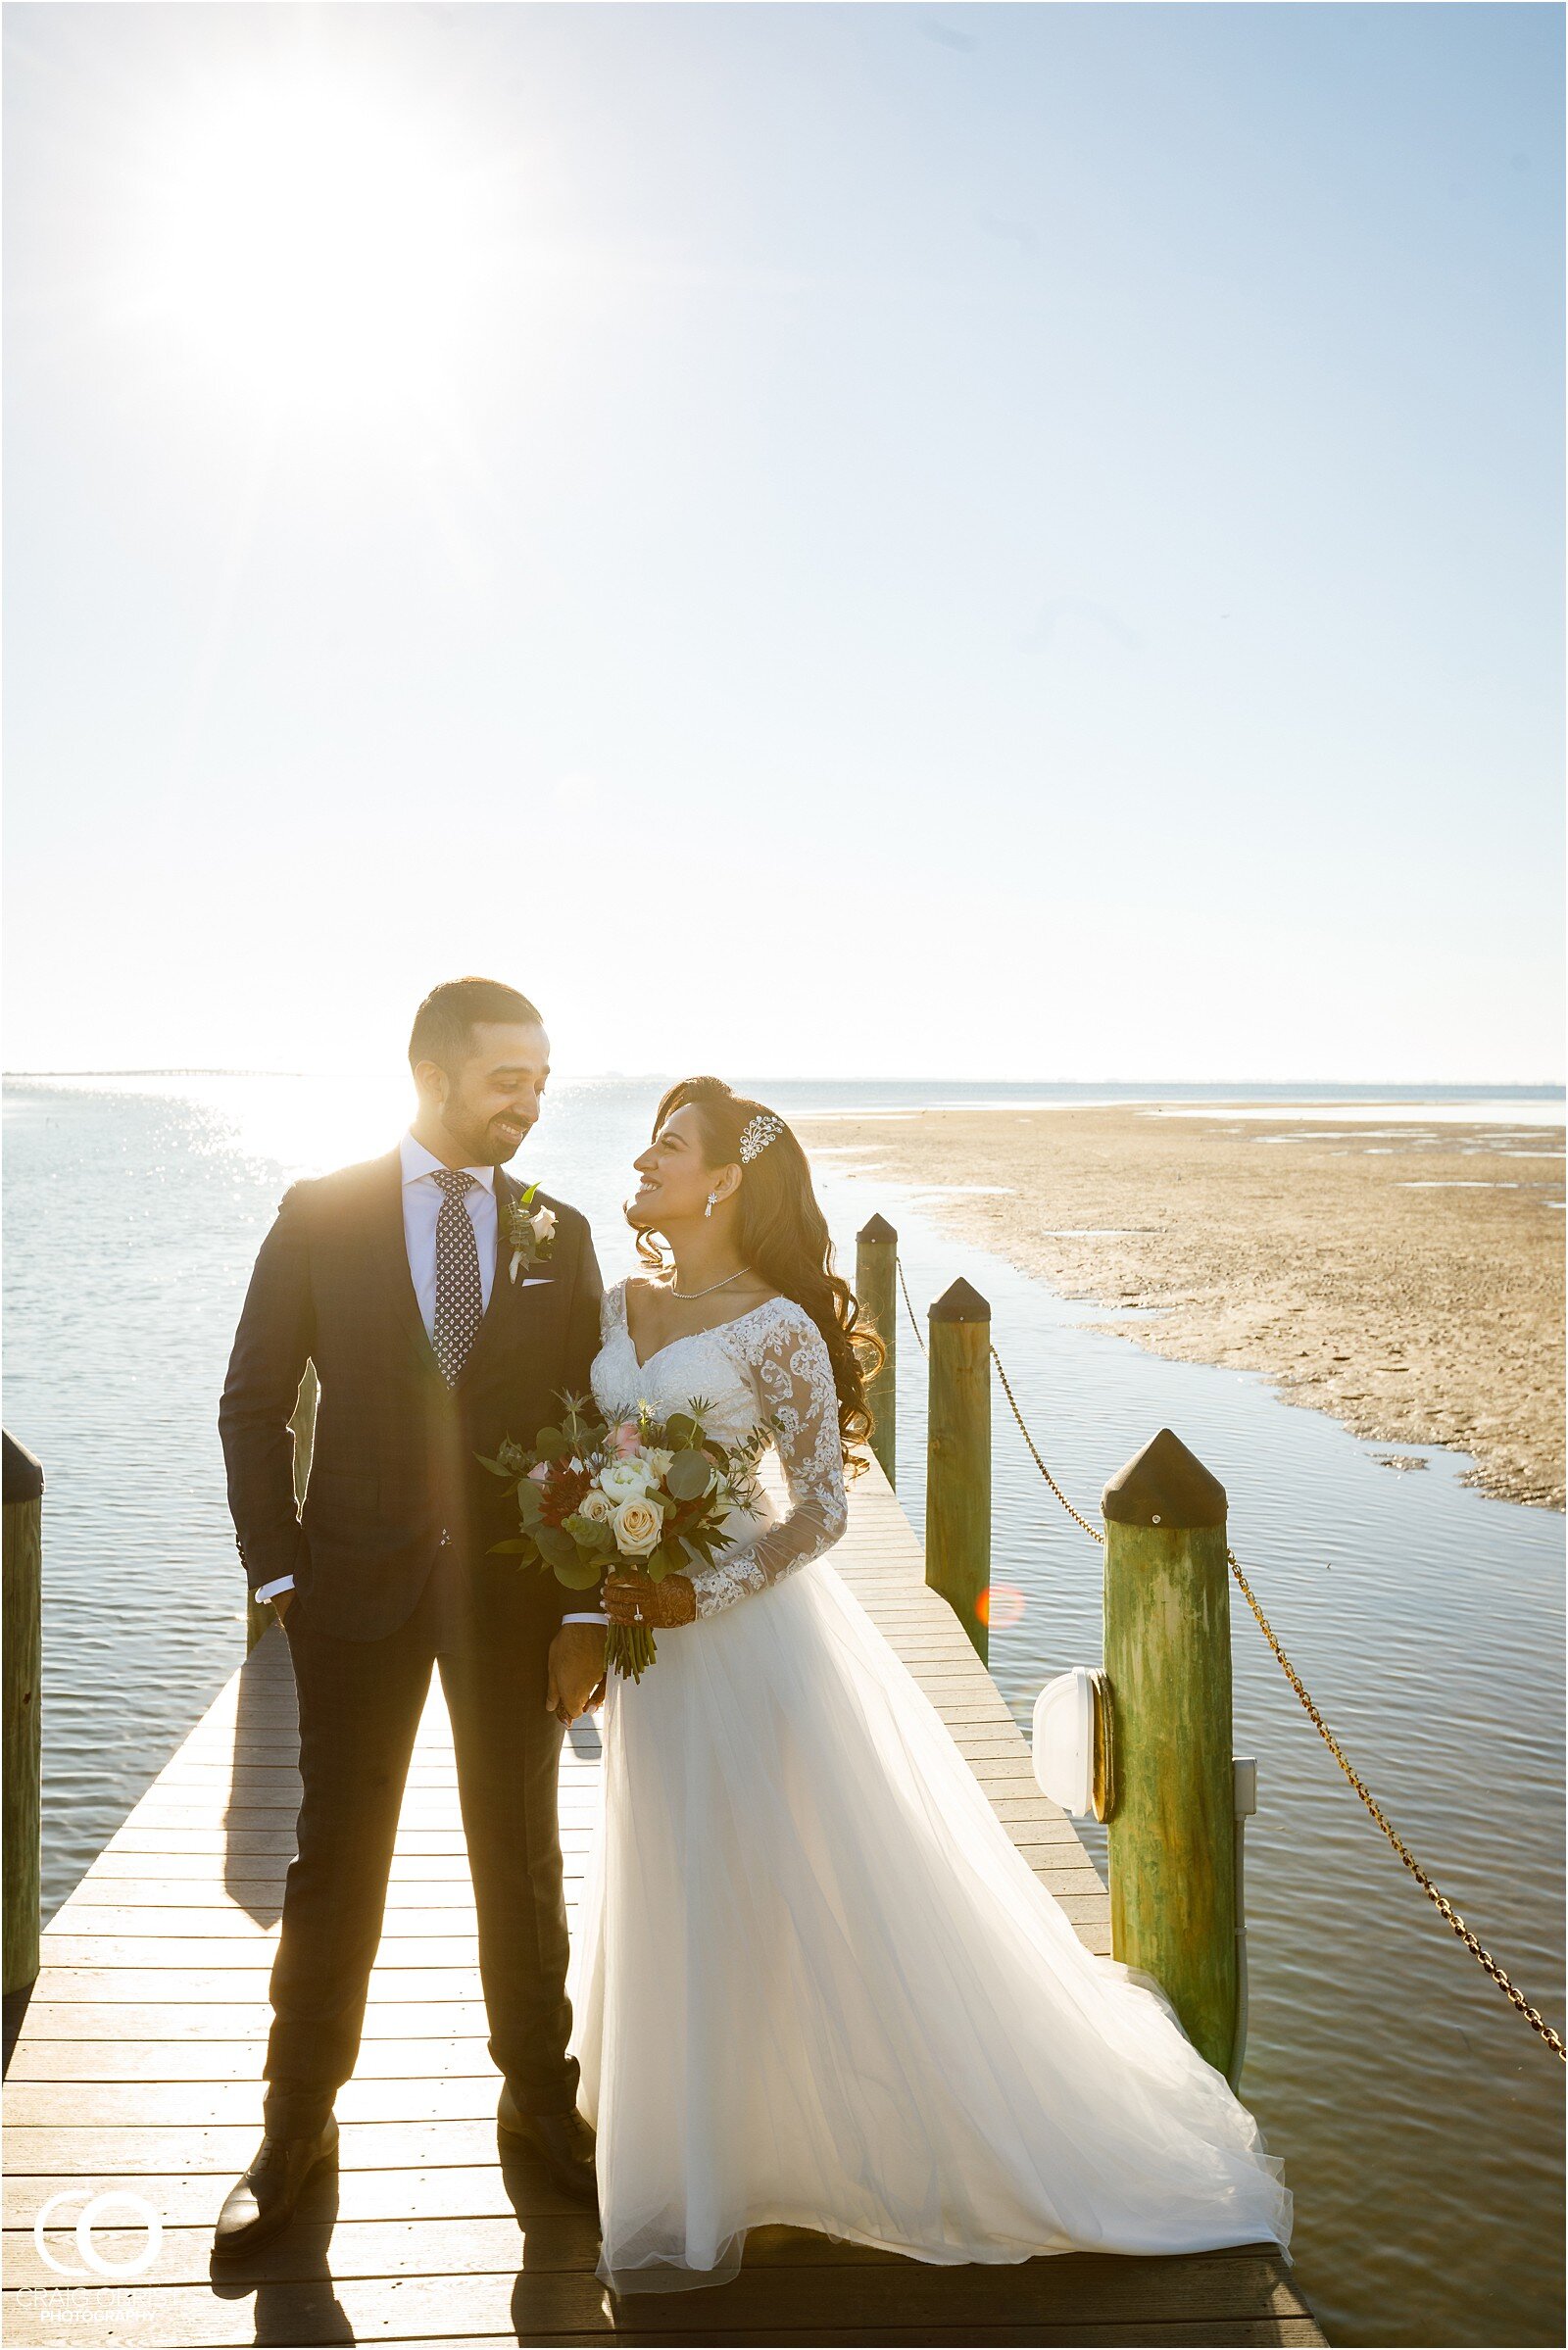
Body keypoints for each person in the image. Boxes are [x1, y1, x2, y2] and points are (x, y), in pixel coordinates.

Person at [571, 1076, 1292, 2294]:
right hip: (647, 1654)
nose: (645, 1161)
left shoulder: (776, 1327)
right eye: (647, 1143)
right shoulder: (614, 1297)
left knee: (784, 1874)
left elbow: (825, 1509)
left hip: (744, 1642)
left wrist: (696, 1589)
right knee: (670, 1867)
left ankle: (845, 2137)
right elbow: (593, 1456)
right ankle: (712, 2143)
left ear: (729, 1179)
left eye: (671, 1146)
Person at [214, 978, 607, 2252]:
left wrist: (587, 1604)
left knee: (523, 1859)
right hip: (353, 1594)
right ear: (432, 1072)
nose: (531, 1100)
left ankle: (541, 2103)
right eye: (509, 1076)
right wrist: (279, 1574)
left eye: (542, 1078)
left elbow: (590, 1429)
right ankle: (296, 2120)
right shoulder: (320, 1213)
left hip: (513, 1604)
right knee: (337, 1859)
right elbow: (253, 1401)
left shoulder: (560, 1229)